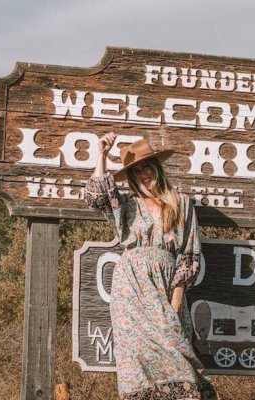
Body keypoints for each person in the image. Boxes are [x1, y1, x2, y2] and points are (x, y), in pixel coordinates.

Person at [84, 132, 218, 400]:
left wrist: (176, 300)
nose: (143, 174)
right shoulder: (128, 206)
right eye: (135, 171)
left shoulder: (181, 203)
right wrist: (100, 154)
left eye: (146, 167)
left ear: (156, 167)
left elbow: (189, 253)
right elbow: (97, 198)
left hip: (165, 285)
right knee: (137, 358)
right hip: (129, 288)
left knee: (176, 351)